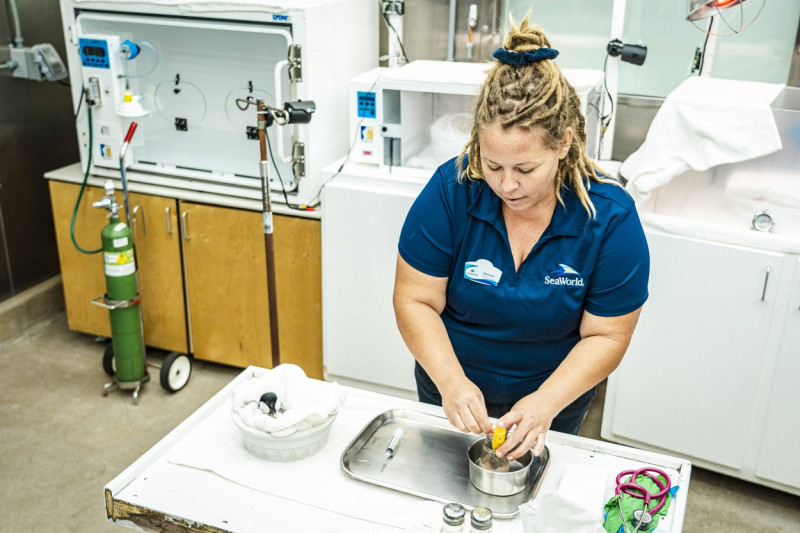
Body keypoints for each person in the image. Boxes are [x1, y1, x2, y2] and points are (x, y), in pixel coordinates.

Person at [392, 15, 650, 463]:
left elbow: (607, 335)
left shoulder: (609, 218)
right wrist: (451, 382)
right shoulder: (453, 190)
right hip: (449, 390)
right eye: (492, 165)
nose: (506, 185)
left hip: (551, 402)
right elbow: (414, 299)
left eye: (525, 169)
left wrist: (545, 403)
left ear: (565, 142)